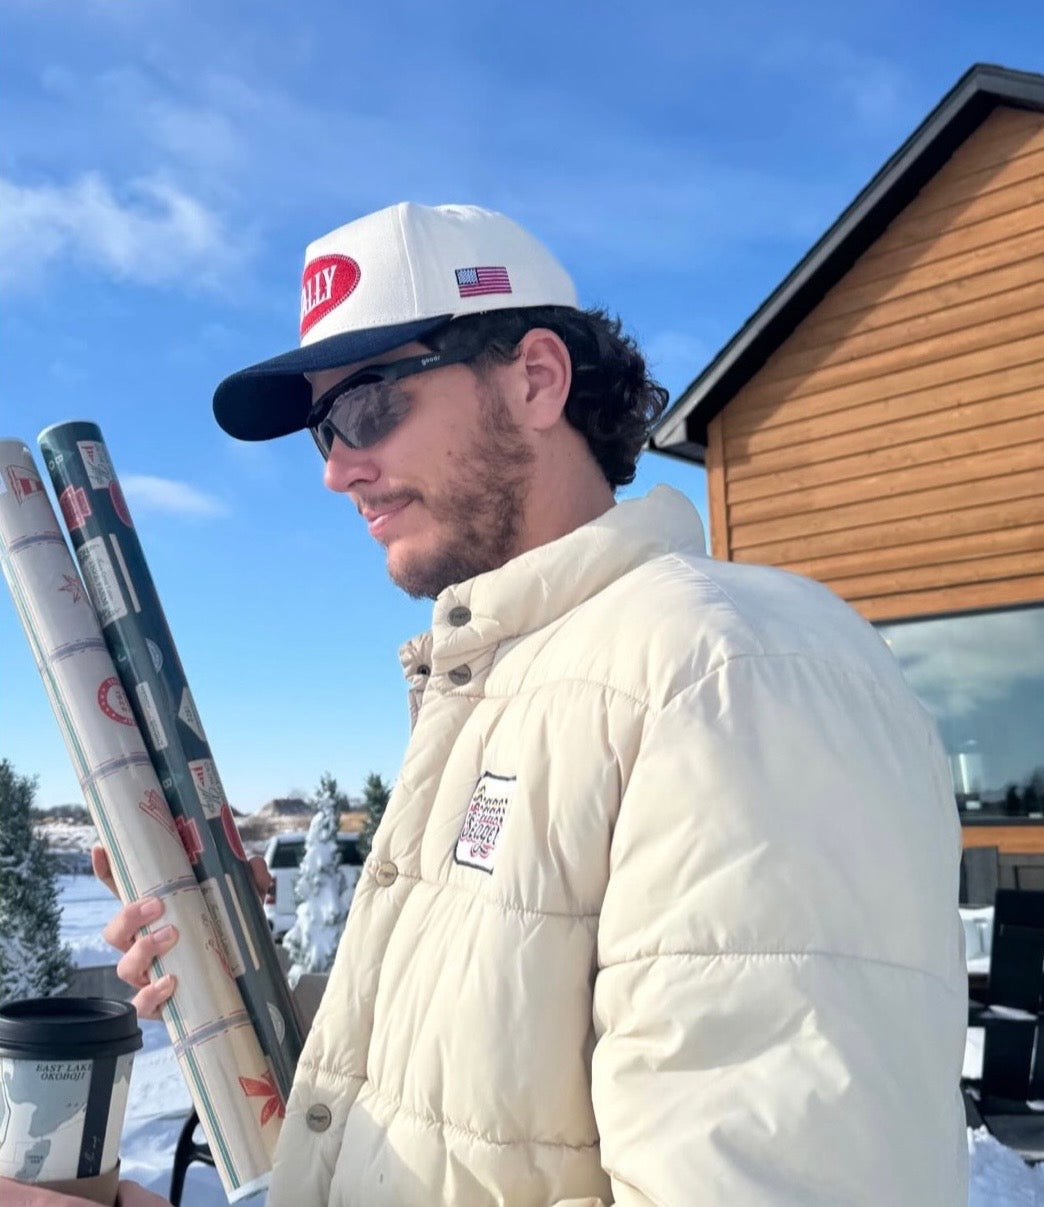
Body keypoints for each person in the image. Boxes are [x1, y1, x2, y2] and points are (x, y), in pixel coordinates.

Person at [89, 202, 965, 1206]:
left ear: (537, 378)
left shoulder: (727, 668)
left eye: (369, 407)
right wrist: (234, 979)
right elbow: (483, 1105)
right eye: (324, 431)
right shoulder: (504, 694)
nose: (337, 470)